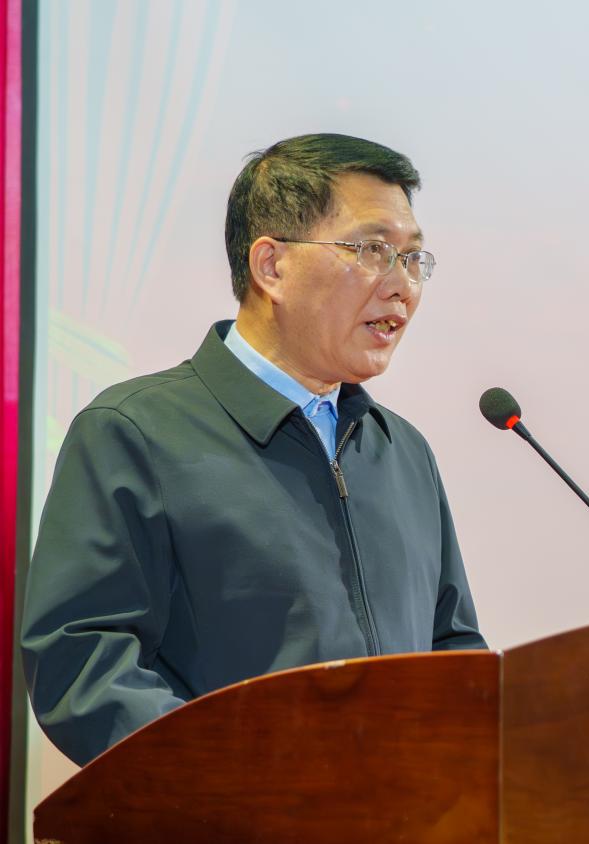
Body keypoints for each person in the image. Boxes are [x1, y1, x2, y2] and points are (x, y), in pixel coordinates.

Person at [21, 133, 486, 766]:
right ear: (271, 266)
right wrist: (240, 788)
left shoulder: (401, 451)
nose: (402, 285)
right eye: (374, 250)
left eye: (412, 258)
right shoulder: (135, 433)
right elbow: (83, 665)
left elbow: (452, 650)